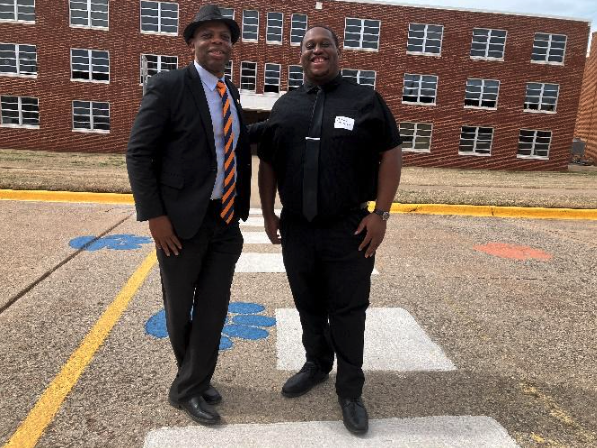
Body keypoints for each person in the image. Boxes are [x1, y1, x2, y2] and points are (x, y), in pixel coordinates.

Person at [257, 25, 402, 435]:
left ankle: (350, 390)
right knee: (308, 304)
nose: (317, 51)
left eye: (325, 45)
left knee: (348, 311)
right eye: (309, 46)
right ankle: (317, 364)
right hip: (298, 227)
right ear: (300, 54)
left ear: (340, 52)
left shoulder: (365, 100)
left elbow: (391, 154)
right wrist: (267, 213)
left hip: (349, 227)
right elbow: (268, 163)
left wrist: (381, 214)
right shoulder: (285, 106)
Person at [126, 5, 251, 425]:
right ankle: (192, 381)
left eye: (224, 36)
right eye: (207, 35)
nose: (217, 41)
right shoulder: (169, 86)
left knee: (214, 309)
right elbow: (139, 153)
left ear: (231, 46)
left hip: (225, 219)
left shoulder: (230, 92)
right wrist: (154, 216)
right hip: (179, 222)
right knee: (180, 309)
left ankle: (191, 383)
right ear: (192, 43)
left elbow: (232, 147)